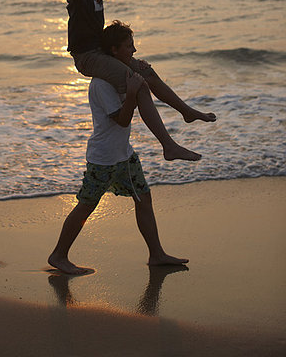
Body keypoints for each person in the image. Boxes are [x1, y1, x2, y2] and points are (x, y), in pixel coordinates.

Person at [37, 0, 216, 163]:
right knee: (139, 85)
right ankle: (169, 146)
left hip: (100, 52)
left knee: (148, 73)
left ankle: (186, 112)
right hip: (87, 57)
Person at [48, 21, 196, 276]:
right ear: (114, 50)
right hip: (103, 159)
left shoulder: (121, 75)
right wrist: (132, 92)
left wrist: (139, 83)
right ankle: (59, 255)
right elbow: (122, 119)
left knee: (143, 198)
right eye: (129, 46)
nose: (134, 50)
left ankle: (156, 254)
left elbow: (135, 100)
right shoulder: (101, 84)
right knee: (86, 206)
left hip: (124, 156)